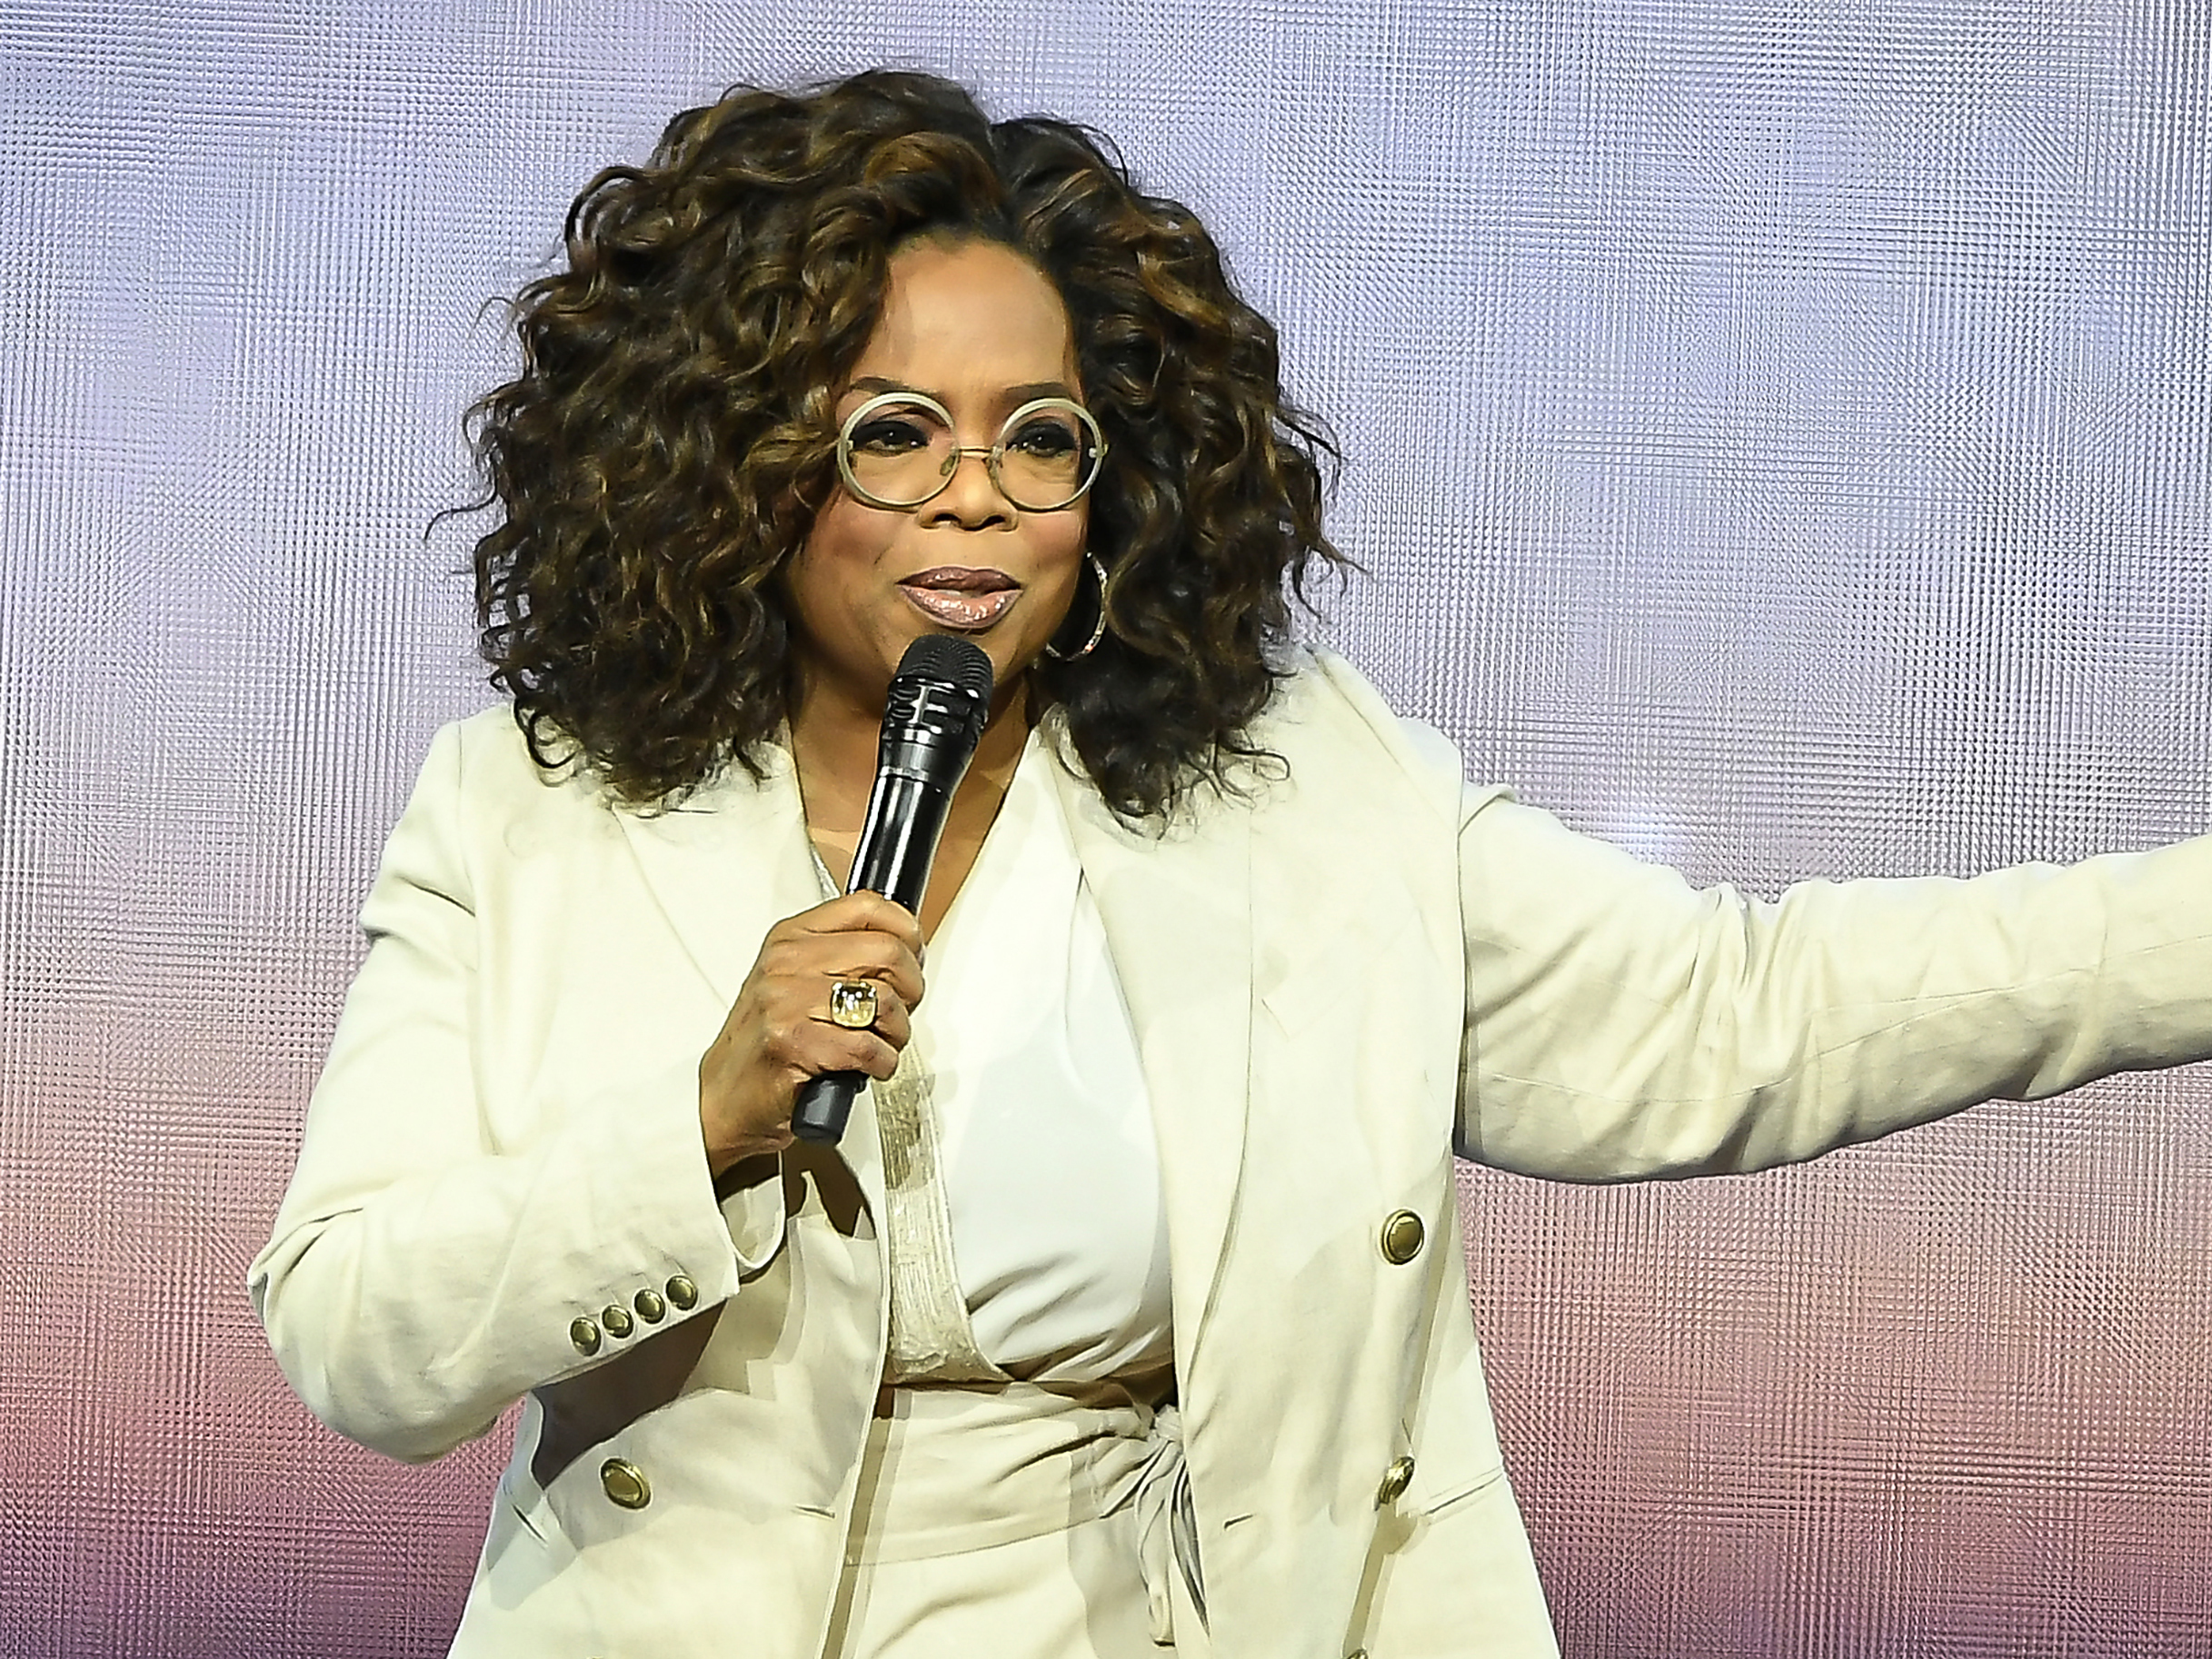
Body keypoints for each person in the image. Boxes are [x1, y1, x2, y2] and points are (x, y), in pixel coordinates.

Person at [249, 70, 2212, 1659]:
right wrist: (696, 1125)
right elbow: (353, 1332)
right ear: (741, 464)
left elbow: (1744, 1011)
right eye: (893, 435)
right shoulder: (528, 807)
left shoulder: (1300, 803)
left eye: (1041, 440)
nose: (973, 497)